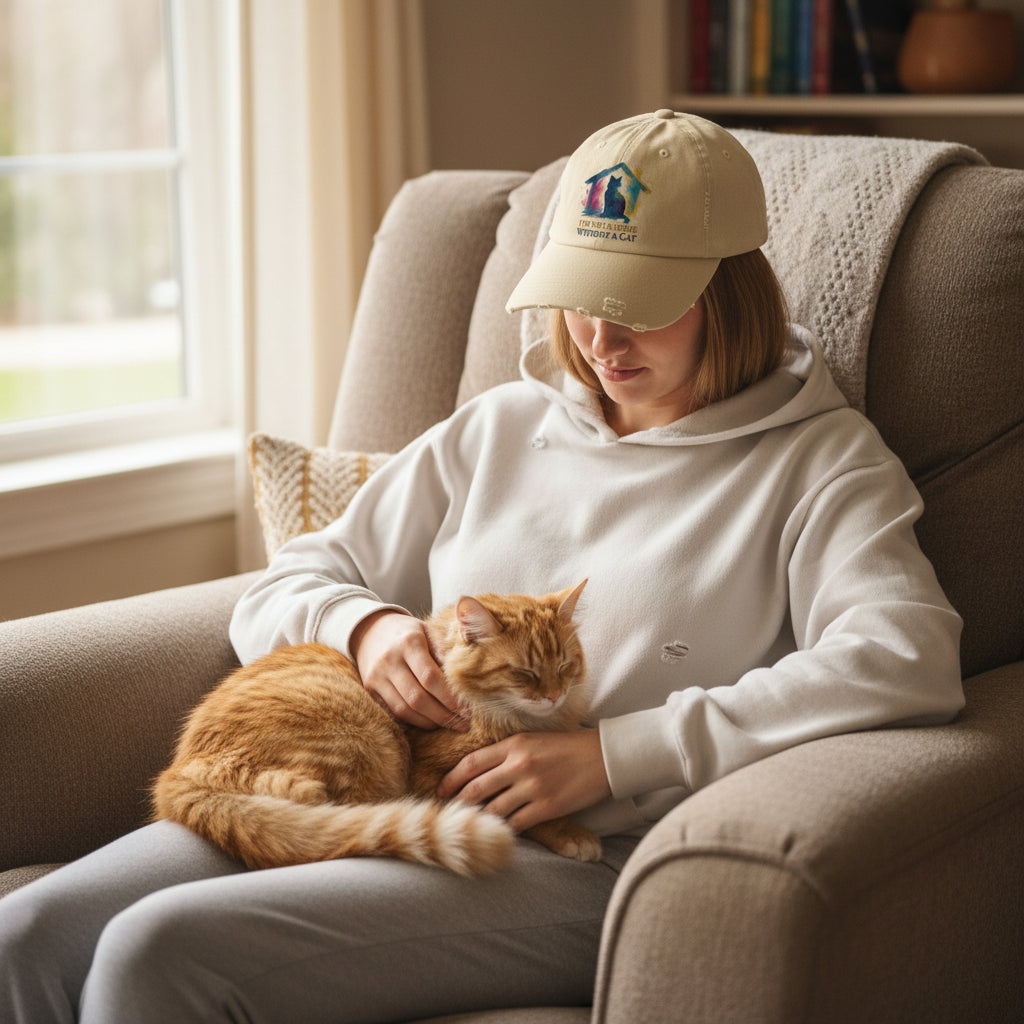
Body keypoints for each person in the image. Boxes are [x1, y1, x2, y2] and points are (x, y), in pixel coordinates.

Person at [0, 110, 964, 1023]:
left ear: (731, 288)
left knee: (160, 951)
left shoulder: (821, 460)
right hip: (388, 788)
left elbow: (905, 656)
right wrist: (365, 630)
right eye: (581, 298)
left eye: (639, 306)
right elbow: (288, 582)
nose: (600, 339)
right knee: (29, 935)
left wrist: (615, 753)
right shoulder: (500, 425)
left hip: (590, 855)